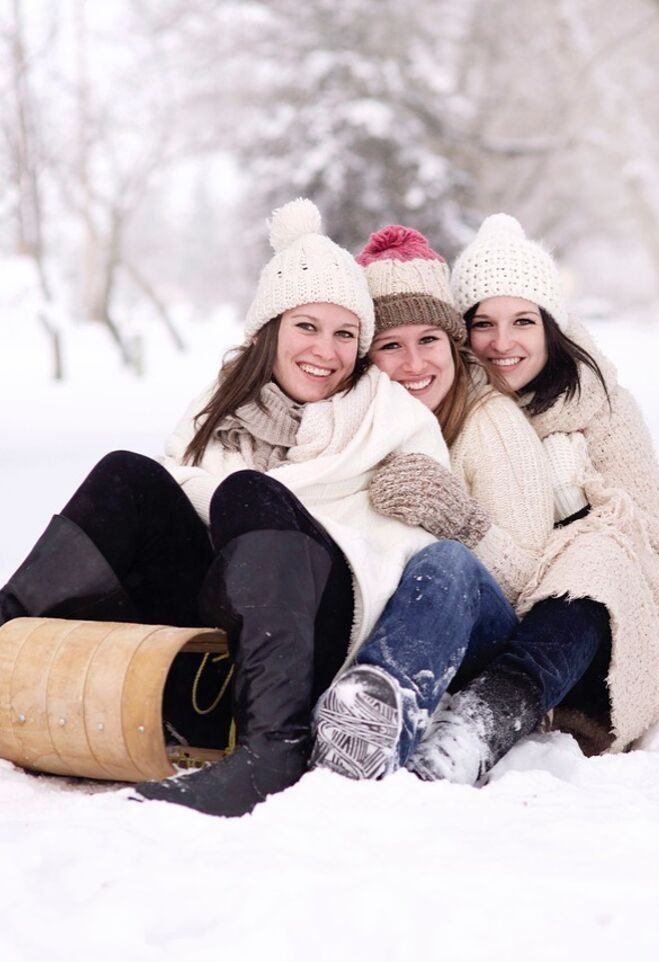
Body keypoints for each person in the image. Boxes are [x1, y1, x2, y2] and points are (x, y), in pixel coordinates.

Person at [0, 199, 487, 817]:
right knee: (126, 473)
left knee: (246, 493)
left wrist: (262, 509)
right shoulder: (221, 410)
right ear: (270, 330)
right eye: (306, 327)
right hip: (221, 618)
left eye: (345, 334)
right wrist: (239, 519)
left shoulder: (392, 418)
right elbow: (174, 503)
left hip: (326, 627)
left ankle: (273, 749)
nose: (327, 350)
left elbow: (405, 558)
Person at [402, 213, 659, 784]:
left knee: (601, 555)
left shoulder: (600, 406)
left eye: (522, 322)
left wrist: (580, 507)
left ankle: (480, 726)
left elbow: (651, 544)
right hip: (491, 608)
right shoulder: (452, 403)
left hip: (592, 627)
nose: (502, 343)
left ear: (550, 327)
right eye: (483, 323)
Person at [311, 224, 555, 778]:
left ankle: (376, 717)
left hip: (483, 639)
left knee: (445, 563)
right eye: (391, 346)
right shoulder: (361, 423)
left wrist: (460, 521)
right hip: (378, 617)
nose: (414, 363)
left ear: (453, 344)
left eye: (429, 341)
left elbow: (533, 583)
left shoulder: (489, 424)